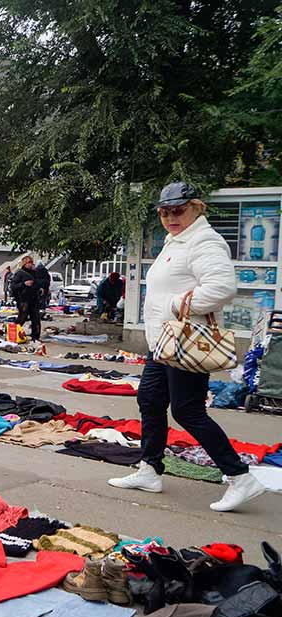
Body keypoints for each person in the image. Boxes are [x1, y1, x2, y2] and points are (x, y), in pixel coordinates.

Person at [108, 181, 265, 512]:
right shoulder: (176, 241)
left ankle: (240, 476)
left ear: (197, 207)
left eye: (178, 210)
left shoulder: (204, 242)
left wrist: (176, 305)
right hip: (164, 343)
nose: (170, 217)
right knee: (150, 400)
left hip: (186, 342)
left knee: (187, 411)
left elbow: (222, 288)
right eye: (164, 212)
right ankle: (150, 469)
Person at [11, 255, 42, 341]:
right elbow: (13, 286)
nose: (30, 264)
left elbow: (38, 283)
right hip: (23, 299)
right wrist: (24, 284)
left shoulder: (35, 273)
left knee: (36, 318)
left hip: (34, 299)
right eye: (28, 262)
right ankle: (13, 332)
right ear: (24, 263)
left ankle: (35, 337)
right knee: (22, 317)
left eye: (31, 262)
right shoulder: (19, 273)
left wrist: (40, 288)